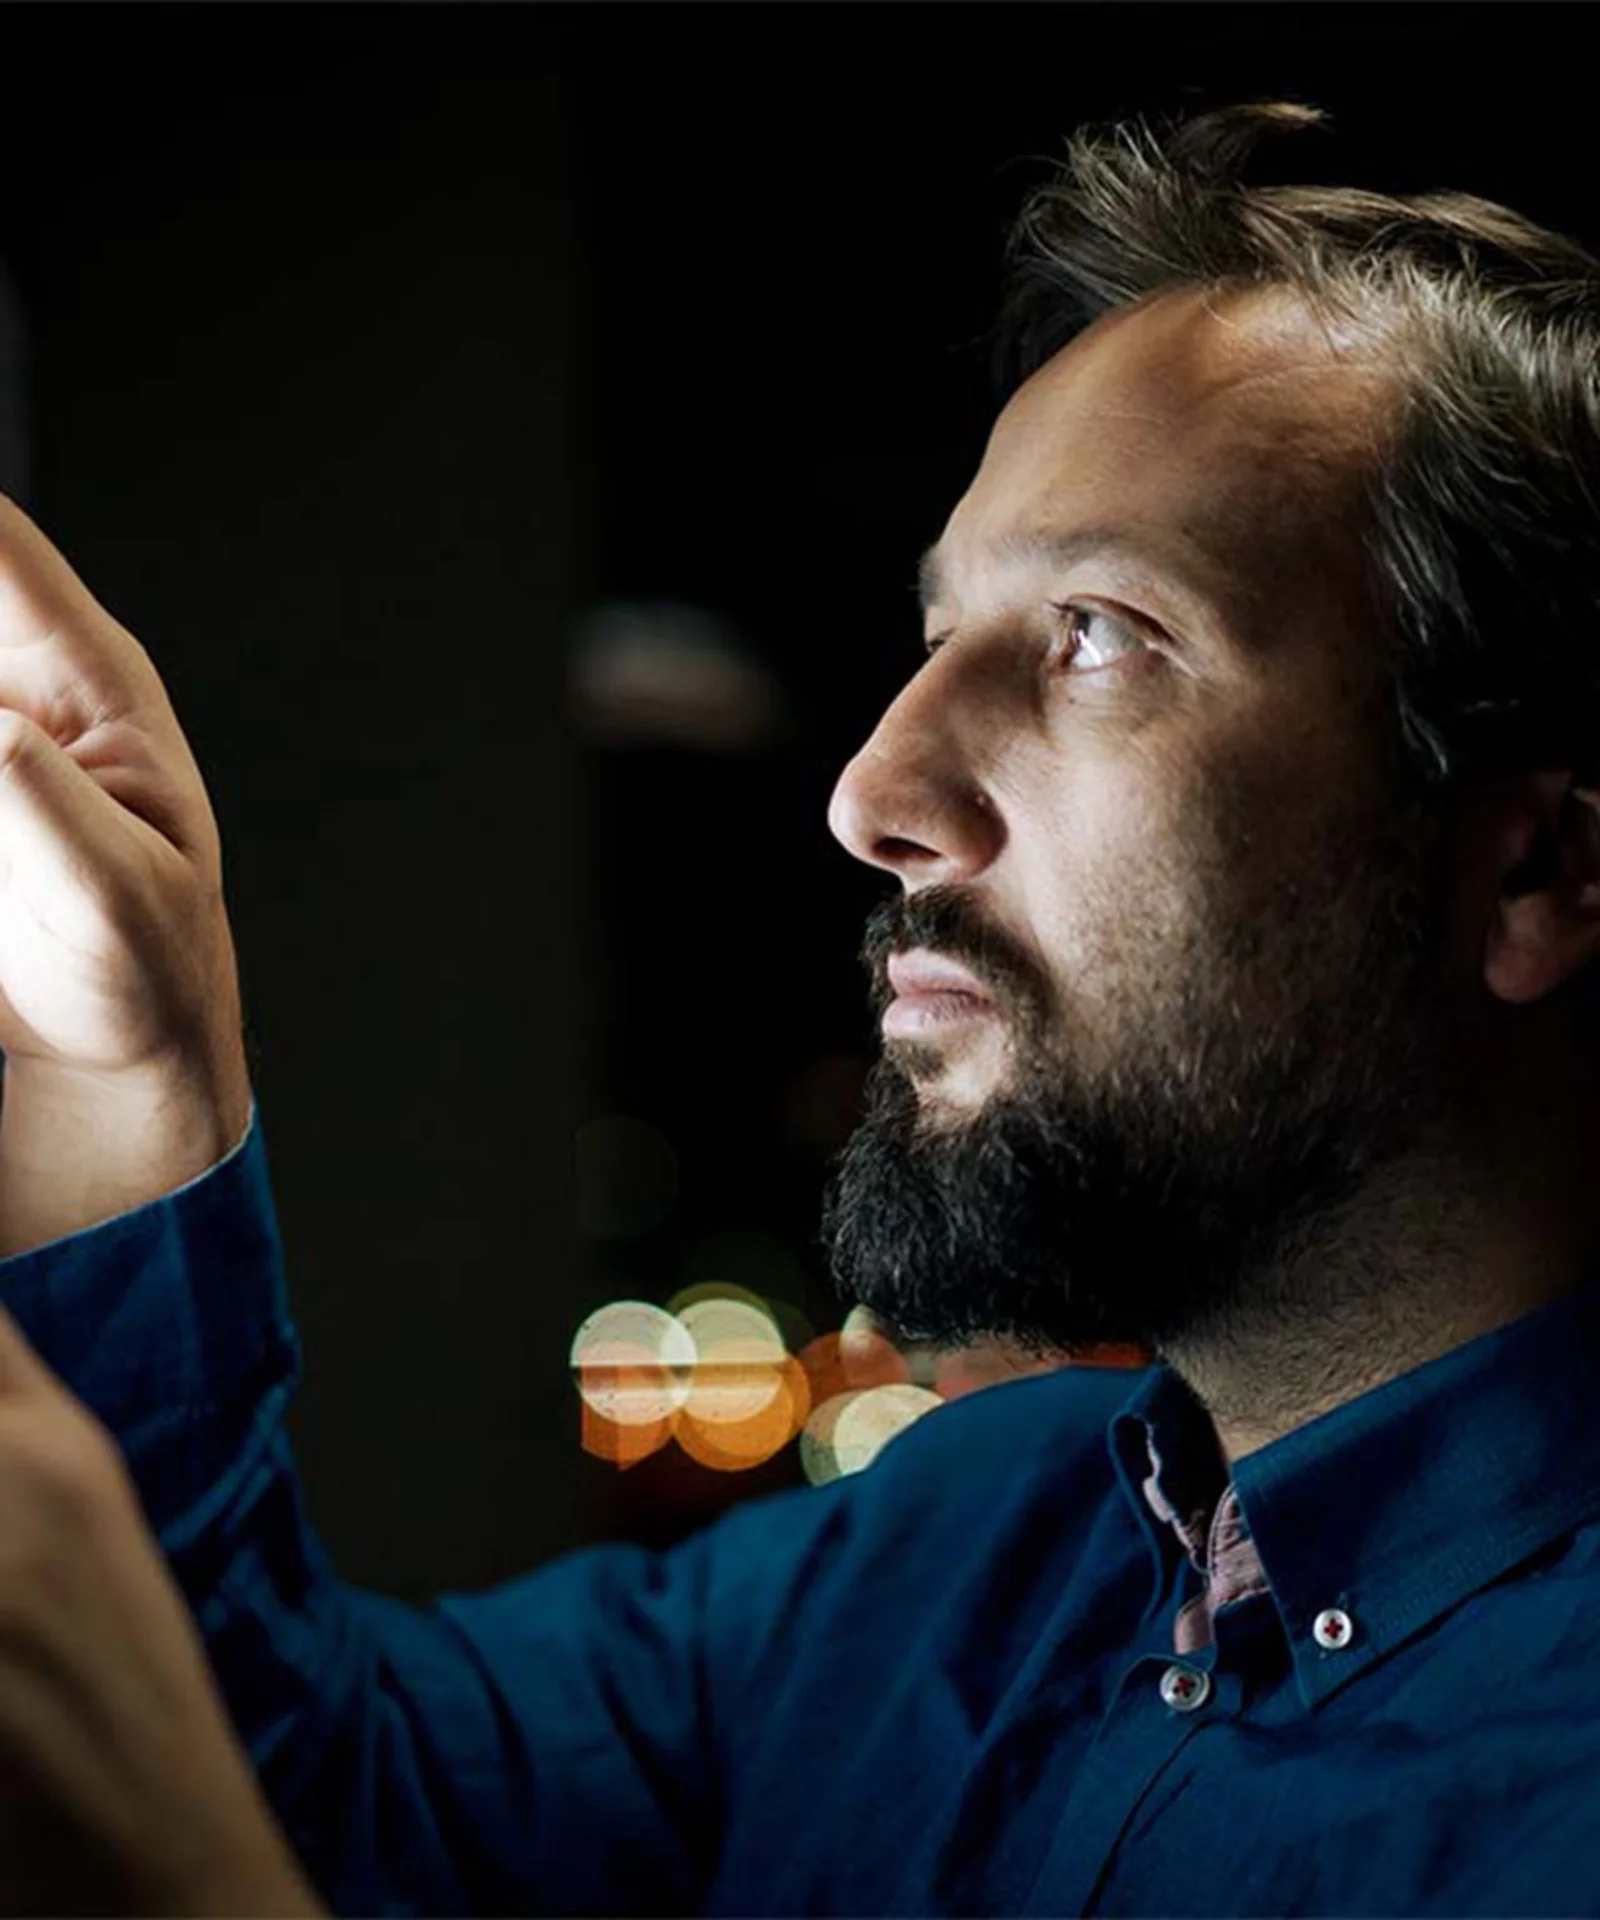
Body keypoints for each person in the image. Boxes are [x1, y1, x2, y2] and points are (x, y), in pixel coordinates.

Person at [0, 94, 1598, 1915]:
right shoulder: (966, 1542)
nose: (872, 789)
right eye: (938, 641)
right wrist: (130, 1086)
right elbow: (305, 1792)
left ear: (1537, 872)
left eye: (1099, 634)